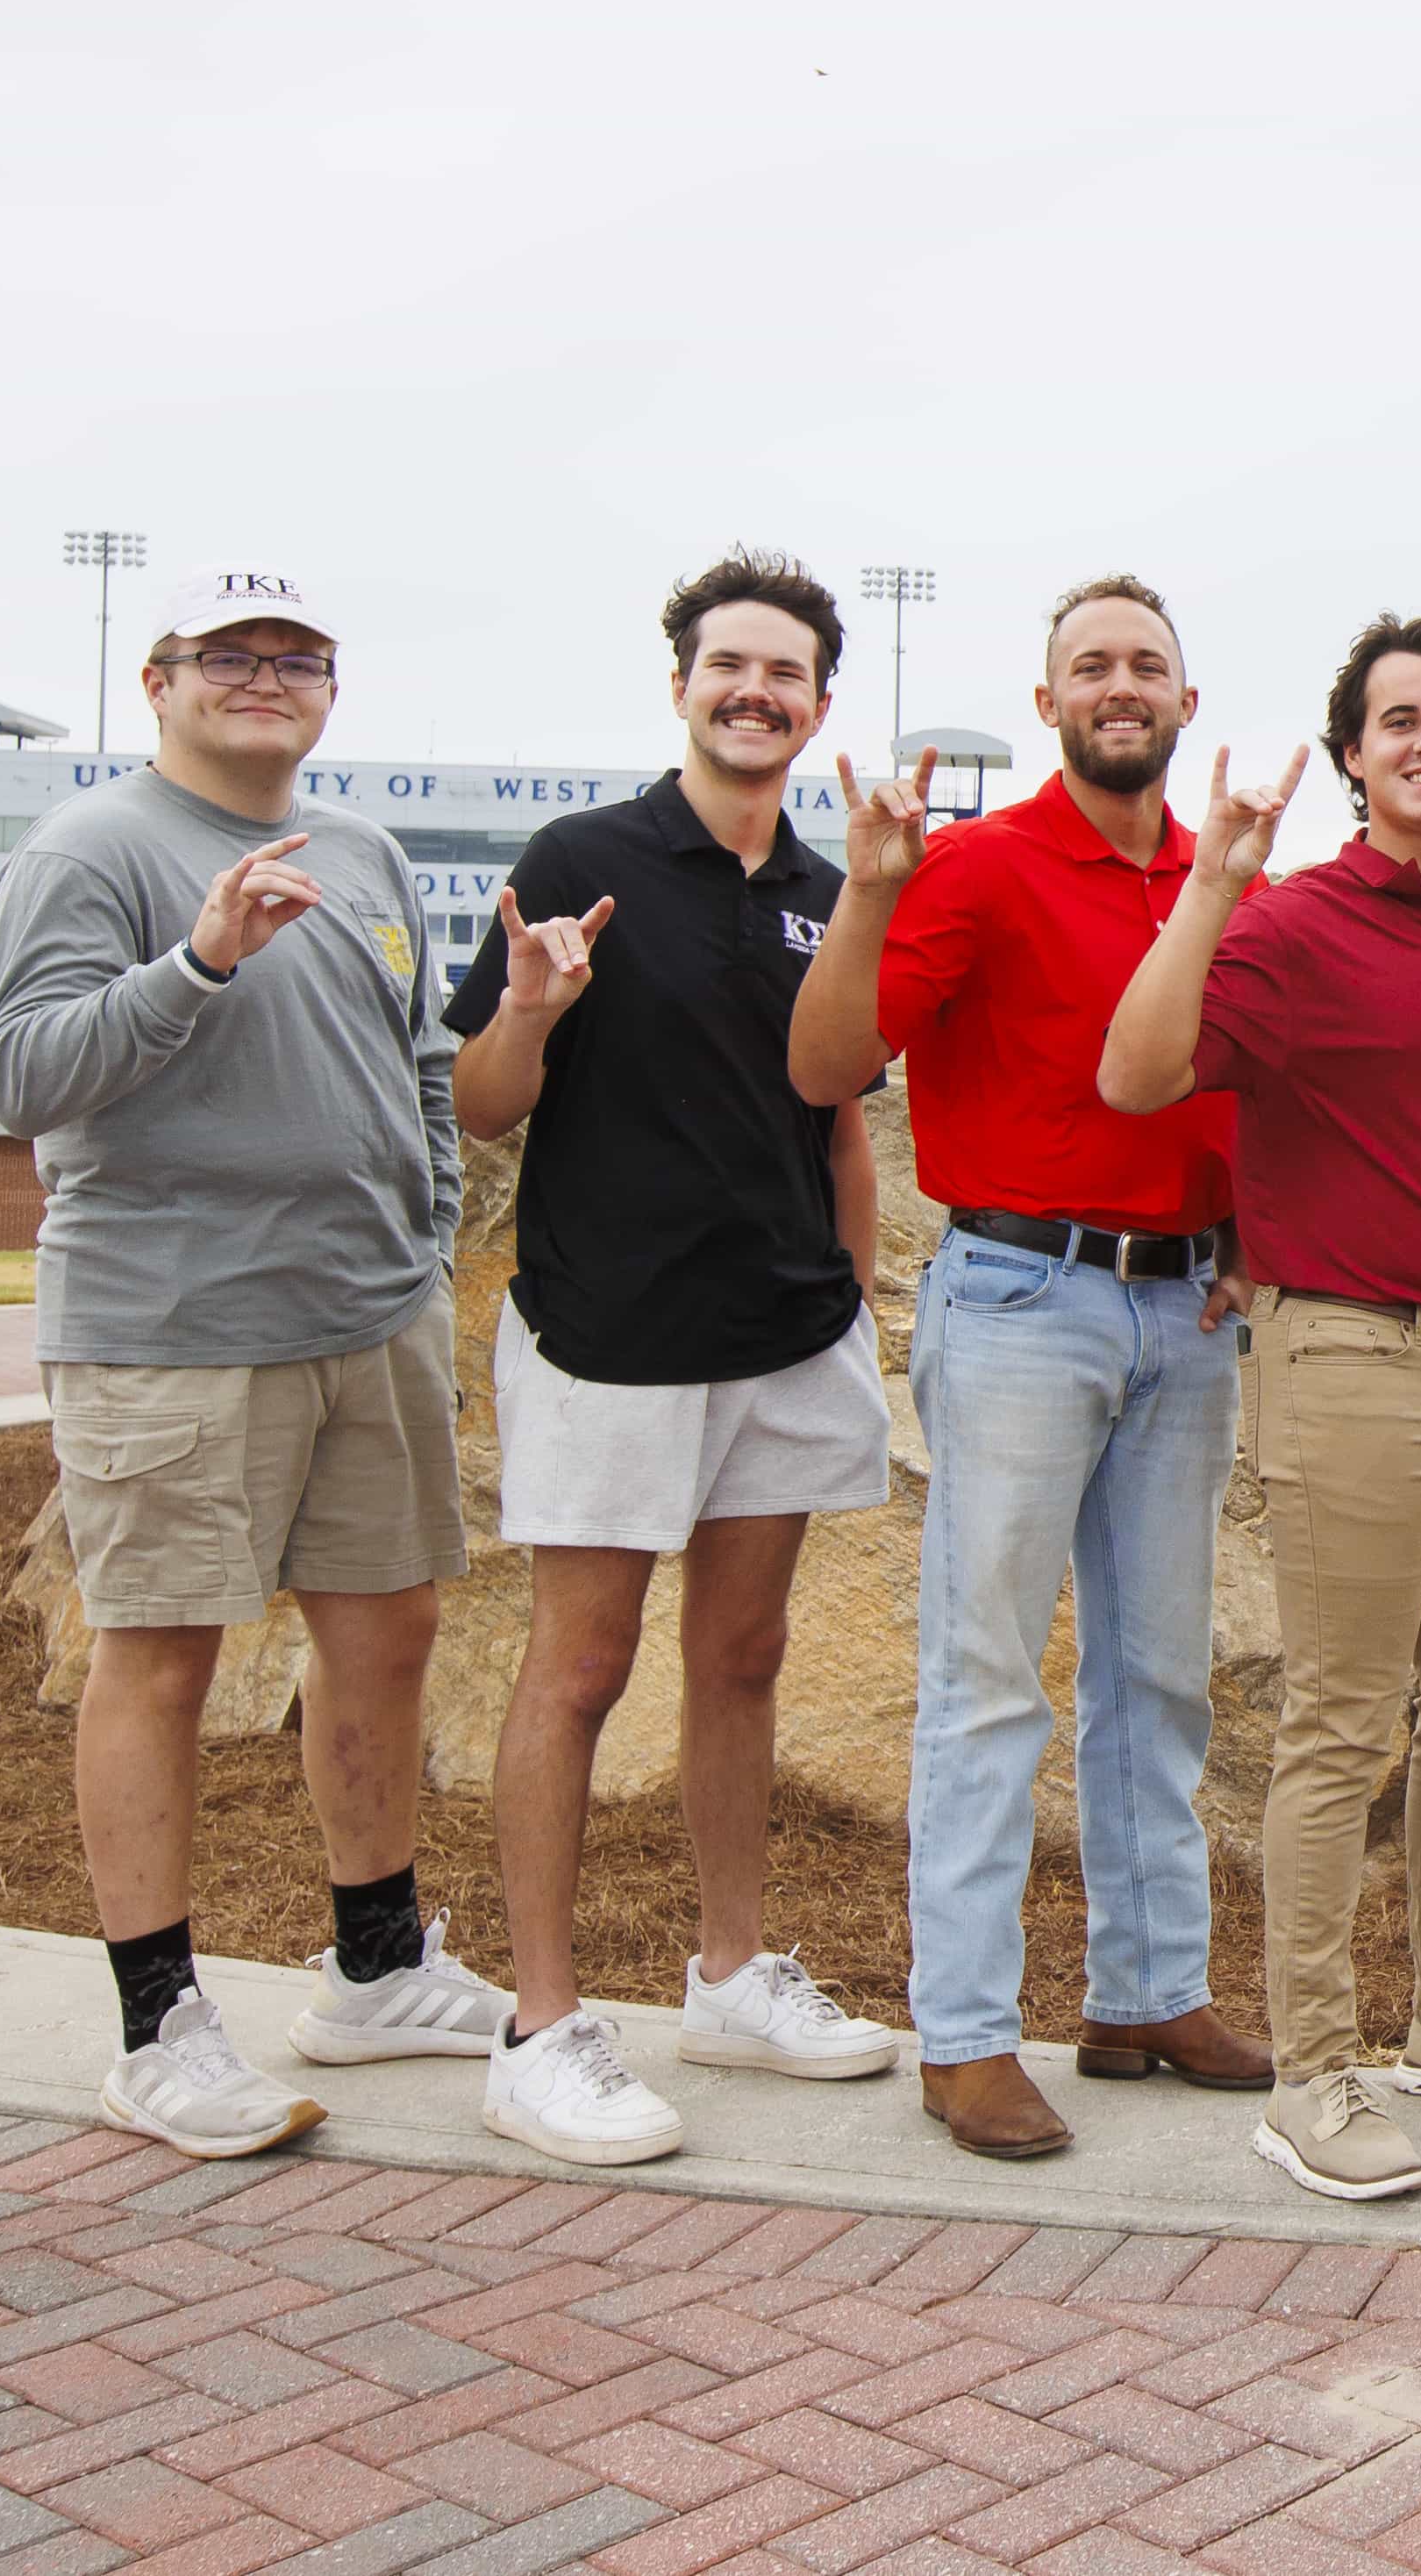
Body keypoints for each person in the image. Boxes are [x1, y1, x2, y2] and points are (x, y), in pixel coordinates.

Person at [1095, 614, 1421, 2203]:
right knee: (1341, 1723)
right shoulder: (1296, 923)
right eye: (1397, 718)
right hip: (1350, 1359)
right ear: (1352, 756)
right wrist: (1210, 888)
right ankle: (1314, 2070)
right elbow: (1138, 1075)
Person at [0, 568, 503, 2157]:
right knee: (163, 1658)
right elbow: (22, 1074)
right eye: (230, 653)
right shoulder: (94, 849)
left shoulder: (364, 852)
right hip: (173, 1326)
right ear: (160, 678)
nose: (265, 677)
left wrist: (421, 1238)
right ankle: (159, 2024)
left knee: (386, 1629)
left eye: (298, 656)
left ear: (332, 687)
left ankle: (376, 1961)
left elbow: (417, 1061)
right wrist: (197, 961)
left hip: (367, 1315)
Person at [786, 575, 1275, 2160]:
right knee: (990, 1676)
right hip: (1021, 1296)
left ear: (1187, 705)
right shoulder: (979, 868)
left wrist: (1252, 1231)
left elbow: (1257, 1088)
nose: (1119, 686)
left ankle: (1145, 1989)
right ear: (1051, 702)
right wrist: (868, 894)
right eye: (1090, 667)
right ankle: (968, 2029)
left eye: (1148, 663)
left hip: (1184, 1311)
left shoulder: (1224, 882)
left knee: (1161, 1674)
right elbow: (825, 1065)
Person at [446, 552, 905, 2167]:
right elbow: (487, 1105)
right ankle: (541, 2028)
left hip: (783, 1337)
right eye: (730, 666)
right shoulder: (584, 858)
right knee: (580, 1669)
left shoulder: (824, 887)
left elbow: (839, 1117)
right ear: (682, 682)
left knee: (745, 1658)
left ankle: (725, 1974)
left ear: (820, 704)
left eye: (785, 673)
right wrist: (529, 1006)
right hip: (611, 1338)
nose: (756, 692)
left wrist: (850, 1299)